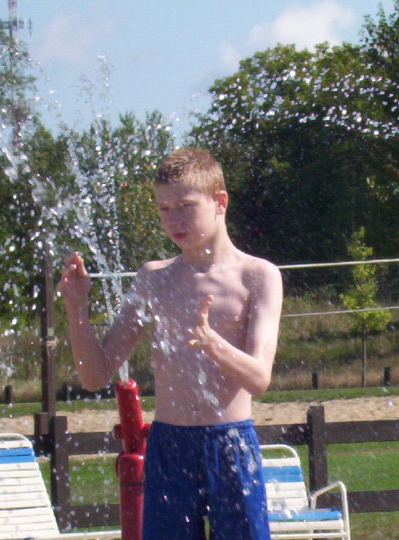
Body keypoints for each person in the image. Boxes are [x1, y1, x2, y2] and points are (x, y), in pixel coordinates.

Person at [58, 147, 282, 539]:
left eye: (185, 206)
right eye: (164, 209)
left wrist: (213, 344)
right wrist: (77, 307)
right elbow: (95, 375)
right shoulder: (154, 279)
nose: (173, 220)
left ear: (219, 202)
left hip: (230, 443)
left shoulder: (257, 276)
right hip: (169, 446)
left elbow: (259, 379)